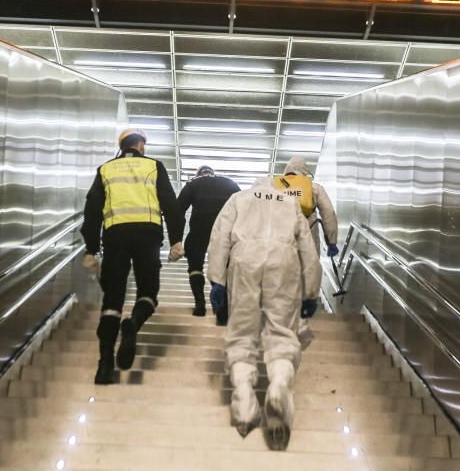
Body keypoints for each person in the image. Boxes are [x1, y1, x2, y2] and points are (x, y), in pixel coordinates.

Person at [207, 177, 321, 450]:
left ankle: (245, 404)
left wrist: (217, 281)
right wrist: (311, 291)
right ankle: (280, 385)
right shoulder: (290, 202)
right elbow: (307, 247)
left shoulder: (238, 199)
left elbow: (220, 237)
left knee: (242, 335)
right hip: (284, 262)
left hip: (244, 260)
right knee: (282, 333)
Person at [81, 127, 184, 385]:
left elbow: (91, 212)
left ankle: (104, 365)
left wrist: (91, 250)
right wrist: (176, 241)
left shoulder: (106, 169)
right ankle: (134, 323)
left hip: (115, 237)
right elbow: (171, 206)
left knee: (112, 299)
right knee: (148, 292)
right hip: (147, 236)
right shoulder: (153, 166)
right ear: (140, 145)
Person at [273, 156, 339, 351]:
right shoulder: (313, 187)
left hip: (280, 237)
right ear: (305, 170)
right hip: (307, 235)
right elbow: (328, 214)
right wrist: (332, 240)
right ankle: (302, 315)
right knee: (307, 271)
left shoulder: (275, 185)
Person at [176, 165, 240, 316]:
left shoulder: (193, 184)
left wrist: (177, 240)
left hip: (199, 230)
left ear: (198, 174)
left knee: (195, 266)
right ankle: (222, 307)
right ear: (213, 174)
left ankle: (200, 304)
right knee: (223, 267)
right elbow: (244, 205)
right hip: (223, 230)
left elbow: (178, 210)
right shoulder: (228, 183)